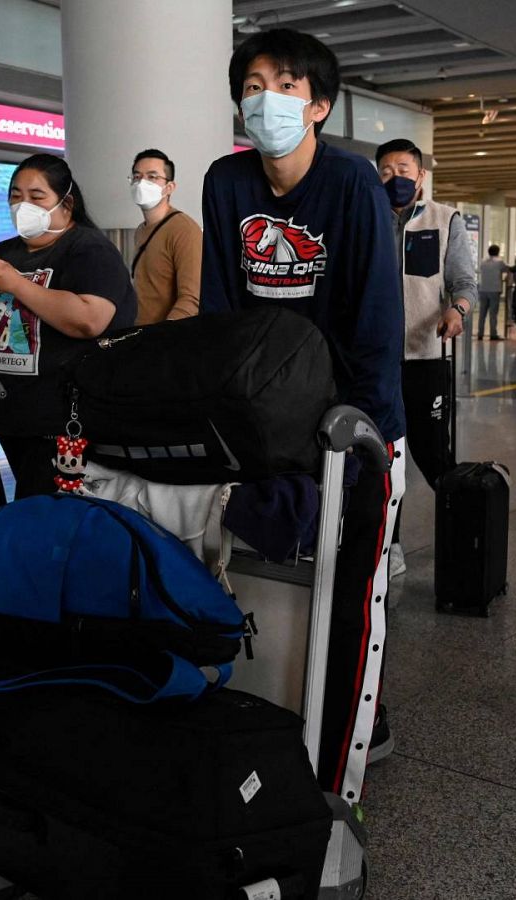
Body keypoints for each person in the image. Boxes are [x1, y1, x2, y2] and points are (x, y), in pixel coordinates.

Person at [200, 28, 405, 801]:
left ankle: (346, 742)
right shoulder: (226, 182)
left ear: (318, 105)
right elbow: (220, 307)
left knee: (355, 583)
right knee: (257, 567)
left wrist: (361, 435)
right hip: (262, 416)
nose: (266, 100)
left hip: (352, 419)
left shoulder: (351, 185)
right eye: (253, 85)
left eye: (286, 86)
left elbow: (374, 321)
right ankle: (263, 707)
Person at [0, 153, 139, 498]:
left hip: (66, 423)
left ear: (67, 202)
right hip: (10, 416)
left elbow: (88, 321)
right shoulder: (2, 254)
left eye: (36, 196)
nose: (23, 205)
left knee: (49, 514)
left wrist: (16, 284)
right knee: (20, 505)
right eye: (16, 195)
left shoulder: (89, 251)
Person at [374, 137, 477, 578]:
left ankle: (463, 537)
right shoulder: (367, 216)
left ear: (421, 176)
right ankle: (388, 545)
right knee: (380, 459)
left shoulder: (444, 219)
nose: (395, 177)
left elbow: (464, 282)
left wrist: (458, 309)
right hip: (374, 362)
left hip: (424, 357)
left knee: (433, 454)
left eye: (403, 169)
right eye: (385, 171)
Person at [129, 148, 202, 324]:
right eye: (137, 176)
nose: (141, 183)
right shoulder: (140, 230)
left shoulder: (184, 230)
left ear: (169, 187)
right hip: (138, 336)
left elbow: (191, 299)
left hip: (164, 341)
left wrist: (162, 338)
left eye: (152, 177)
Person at [477, 244, 509, 339]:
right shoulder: (500, 262)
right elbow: (507, 270)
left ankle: (480, 333)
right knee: (493, 314)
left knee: (482, 313)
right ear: (498, 252)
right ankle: (493, 334)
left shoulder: (483, 262)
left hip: (483, 290)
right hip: (495, 290)